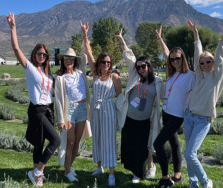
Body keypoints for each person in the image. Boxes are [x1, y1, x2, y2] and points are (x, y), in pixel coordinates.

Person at [6, 12, 60, 187]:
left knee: (39, 143)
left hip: (48, 109)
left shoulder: (48, 73)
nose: (42, 56)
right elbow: (16, 48)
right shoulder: (30, 68)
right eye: (39, 53)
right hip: (37, 109)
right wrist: (13, 28)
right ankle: (38, 171)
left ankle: (36, 178)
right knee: (56, 141)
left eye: (44, 54)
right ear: (34, 54)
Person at [185, 13, 223, 188]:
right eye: (202, 62)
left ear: (213, 62)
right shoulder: (199, 74)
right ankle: (193, 184)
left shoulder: (217, 76)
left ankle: (206, 182)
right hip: (189, 117)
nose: (205, 64)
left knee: (190, 154)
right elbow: (197, 50)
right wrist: (195, 33)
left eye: (209, 61)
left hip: (203, 120)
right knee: (187, 153)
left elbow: (221, 53)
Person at [114, 29, 165, 183]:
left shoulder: (157, 82)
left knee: (142, 147)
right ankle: (132, 170)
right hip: (129, 118)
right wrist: (122, 40)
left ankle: (139, 173)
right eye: (138, 67)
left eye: (143, 66)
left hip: (144, 120)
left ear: (149, 65)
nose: (141, 69)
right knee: (129, 145)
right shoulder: (135, 76)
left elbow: (164, 97)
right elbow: (129, 57)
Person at [153, 25, 195, 188]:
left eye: (177, 58)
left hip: (177, 115)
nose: (174, 61)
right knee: (174, 143)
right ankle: (177, 174)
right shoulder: (171, 73)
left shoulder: (189, 75)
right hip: (166, 112)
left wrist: (195, 35)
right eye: (172, 59)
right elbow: (166, 53)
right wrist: (160, 39)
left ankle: (166, 178)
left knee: (158, 143)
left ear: (183, 58)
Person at [81, 21, 122, 186]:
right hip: (96, 111)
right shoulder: (96, 75)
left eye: (108, 62)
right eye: (103, 62)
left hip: (108, 110)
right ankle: (100, 167)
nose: (106, 64)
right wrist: (85, 35)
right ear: (99, 63)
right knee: (97, 138)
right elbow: (89, 53)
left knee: (109, 140)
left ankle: (112, 172)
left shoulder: (115, 77)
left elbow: (119, 97)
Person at [54, 47, 92, 182]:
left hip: (82, 109)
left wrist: (84, 36)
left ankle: (69, 166)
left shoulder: (80, 72)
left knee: (77, 141)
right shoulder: (60, 78)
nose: (68, 60)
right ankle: (67, 171)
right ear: (63, 60)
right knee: (69, 142)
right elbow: (58, 99)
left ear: (75, 61)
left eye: (71, 58)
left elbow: (85, 55)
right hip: (69, 110)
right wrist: (60, 119)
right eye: (66, 58)